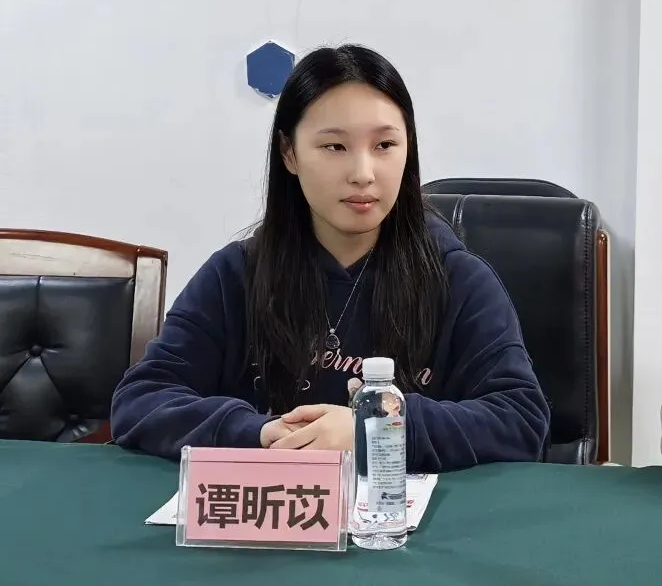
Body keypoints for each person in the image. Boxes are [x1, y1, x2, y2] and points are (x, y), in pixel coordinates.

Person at [110, 44, 550, 472]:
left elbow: (521, 420)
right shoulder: (236, 275)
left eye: (385, 145)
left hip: (405, 515)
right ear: (289, 153)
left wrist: (378, 428)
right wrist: (257, 433)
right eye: (335, 147)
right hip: (276, 512)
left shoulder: (459, 279)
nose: (363, 173)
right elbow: (141, 399)